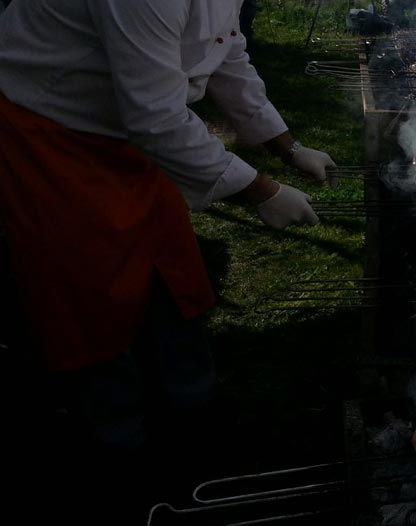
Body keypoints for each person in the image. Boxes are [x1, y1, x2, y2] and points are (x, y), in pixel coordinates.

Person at [0, 0, 336, 451]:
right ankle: (118, 435)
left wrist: (289, 149)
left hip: (125, 126)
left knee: (173, 268)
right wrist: (262, 191)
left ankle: (192, 406)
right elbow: (155, 117)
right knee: (91, 290)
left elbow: (225, 51)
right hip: (50, 127)